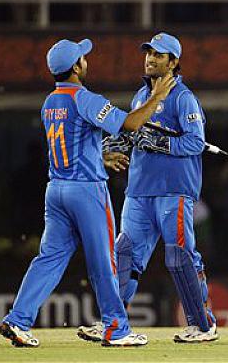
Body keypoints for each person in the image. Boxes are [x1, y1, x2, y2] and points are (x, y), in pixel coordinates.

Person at [0, 38, 175, 347]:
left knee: (49, 258)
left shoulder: (50, 102)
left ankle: (18, 319)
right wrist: (157, 96)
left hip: (56, 190)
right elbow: (131, 123)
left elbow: (69, 144)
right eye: (83, 57)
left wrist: (99, 157)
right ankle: (116, 328)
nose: (86, 61)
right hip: (86, 191)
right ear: (76, 67)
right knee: (104, 261)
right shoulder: (85, 98)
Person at [76, 32, 217, 343]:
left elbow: (196, 142)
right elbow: (135, 133)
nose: (150, 59)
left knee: (179, 257)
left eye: (158, 55)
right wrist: (119, 142)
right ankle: (112, 322)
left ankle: (203, 326)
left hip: (174, 190)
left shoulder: (183, 98)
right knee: (124, 255)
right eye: (149, 53)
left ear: (174, 62)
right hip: (138, 190)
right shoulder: (141, 96)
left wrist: (162, 143)